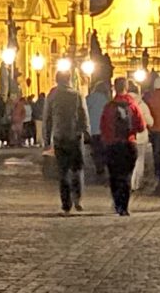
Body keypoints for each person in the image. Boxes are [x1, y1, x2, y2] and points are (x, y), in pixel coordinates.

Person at [43, 70, 90, 214]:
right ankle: (78, 199)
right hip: (75, 137)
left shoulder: (52, 95)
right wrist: (86, 132)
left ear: (57, 80)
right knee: (77, 169)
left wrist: (46, 139)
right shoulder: (76, 95)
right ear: (69, 79)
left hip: (59, 137)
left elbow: (47, 118)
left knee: (63, 171)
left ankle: (66, 204)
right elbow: (83, 114)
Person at [99, 77, 147, 216]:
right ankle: (124, 206)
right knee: (126, 176)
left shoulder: (109, 107)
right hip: (129, 144)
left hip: (113, 145)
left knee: (114, 176)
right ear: (127, 88)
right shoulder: (133, 105)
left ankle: (117, 204)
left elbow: (103, 127)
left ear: (114, 88)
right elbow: (141, 126)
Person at [128, 82, 153, 192]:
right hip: (141, 136)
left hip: (126, 137)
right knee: (139, 160)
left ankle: (127, 182)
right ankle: (136, 184)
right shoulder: (142, 105)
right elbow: (150, 122)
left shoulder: (121, 103)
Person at [85, 81, 110, 182]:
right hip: (103, 129)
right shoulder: (106, 100)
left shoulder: (89, 98)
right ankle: (102, 166)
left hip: (92, 129)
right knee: (103, 149)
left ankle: (99, 167)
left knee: (95, 149)